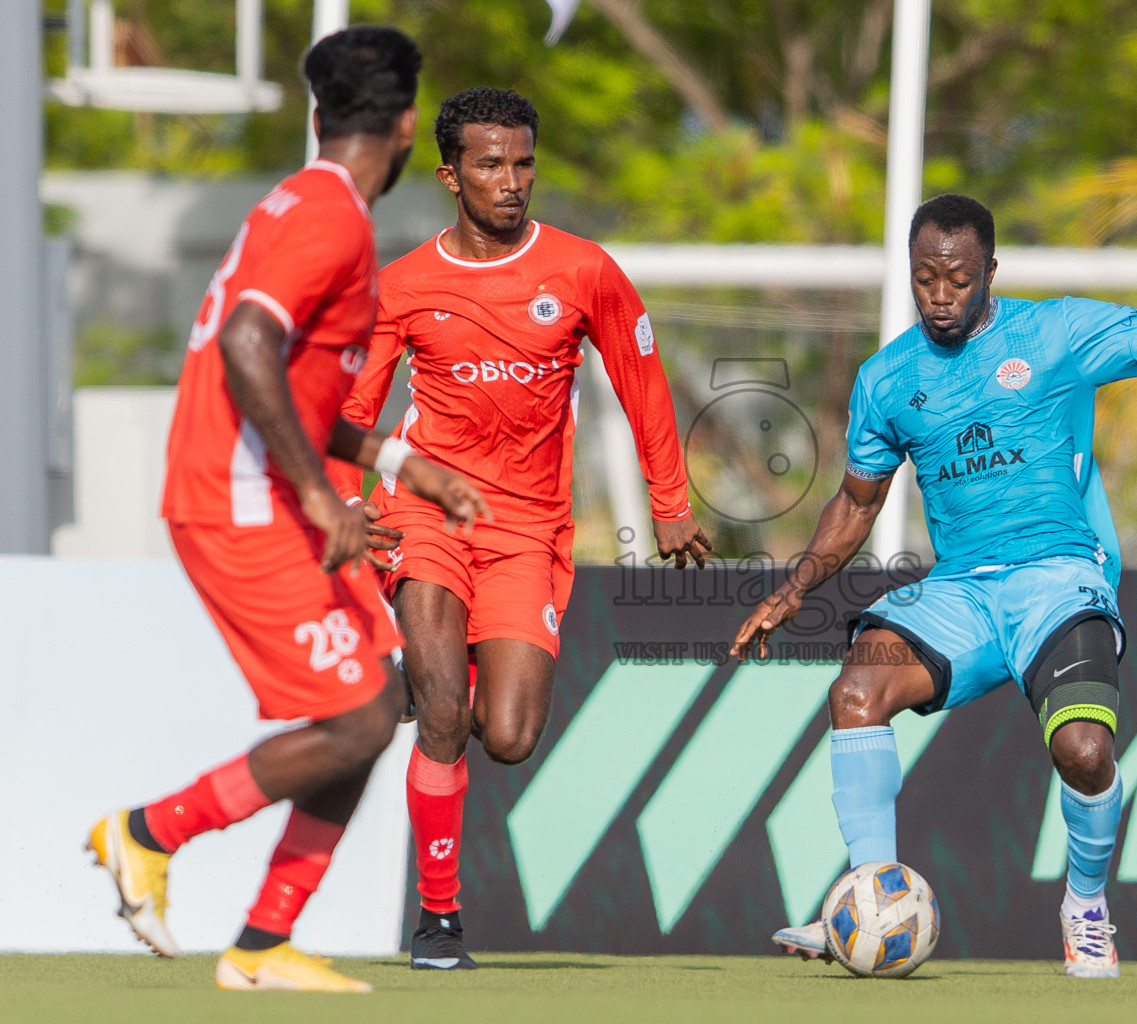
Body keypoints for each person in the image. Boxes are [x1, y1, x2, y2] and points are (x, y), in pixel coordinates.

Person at [732, 193, 1137, 978]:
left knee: (1084, 751)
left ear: (991, 272)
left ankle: (1086, 906)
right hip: (962, 592)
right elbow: (858, 504)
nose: (941, 296)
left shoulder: (1058, 332)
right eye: (925, 278)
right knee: (857, 690)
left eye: (959, 279)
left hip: (1059, 578)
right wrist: (796, 585)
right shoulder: (886, 379)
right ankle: (872, 896)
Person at [87, 26, 491, 993]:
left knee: (378, 705)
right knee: (357, 721)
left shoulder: (304, 202)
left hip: (258, 495)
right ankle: (149, 832)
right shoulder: (330, 218)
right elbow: (246, 344)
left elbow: (302, 395)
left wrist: (402, 460)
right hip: (239, 502)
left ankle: (264, 943)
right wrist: (320, 495)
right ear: (406, 129)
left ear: (317, 118)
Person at [332, 86, 712, 970]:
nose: (512, 181)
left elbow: (642, 381)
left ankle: (423, 676)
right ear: (450, 176)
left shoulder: (583, 270)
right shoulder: (404, 284)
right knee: (443, 715)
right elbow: (349, 409)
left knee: (507, 737)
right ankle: (438, 921)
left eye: (524, 163)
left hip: (527, 530)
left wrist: (670, 502)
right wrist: (350, 504)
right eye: (491, 165)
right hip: (425, 511)